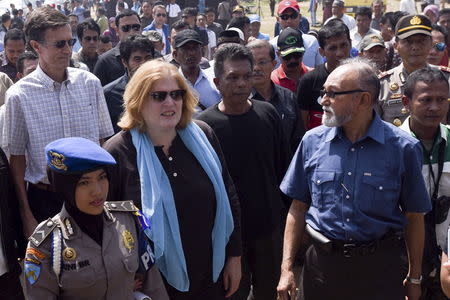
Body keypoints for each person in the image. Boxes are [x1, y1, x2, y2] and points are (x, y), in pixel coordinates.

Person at [277, 57, 431, 300]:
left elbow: (414, 216)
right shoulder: (311, 142)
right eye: (323, 92)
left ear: (364, 100)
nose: (323, 101)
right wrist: (286, 269)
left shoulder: (403, 148)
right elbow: (297, 208)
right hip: (322, 269)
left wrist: (414, 277)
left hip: (380, 270)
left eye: (333, 94)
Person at [103, 60, 242, 299]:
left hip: (210, 271)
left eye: (176, 95)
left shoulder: (204, 135)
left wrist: (234, 257)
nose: (170, 103)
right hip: (152, 281)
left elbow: (228, 197)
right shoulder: (117, 151)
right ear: (139, 100)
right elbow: (107, 222)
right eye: (158, 96)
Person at [2, 7, 113, 238]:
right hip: (46, 201)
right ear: (36, 46)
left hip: (92, 195)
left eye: (70, 42)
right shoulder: (19, 95)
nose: (68, 50)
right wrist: (26, 214)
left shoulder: (90, 83)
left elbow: (103, 142)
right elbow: (18, 160)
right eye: (59, 44)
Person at [197, 44, 291, 300]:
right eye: (233, 77)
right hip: (227, 234)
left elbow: (284, 171)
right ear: (217, 82)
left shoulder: (268, 113)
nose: (241, 83)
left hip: (269, 229)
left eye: (247, 76)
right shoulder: (203, 127)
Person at [25, 137, 168, 300]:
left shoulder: (128, 220)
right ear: (65, 187)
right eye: (84, 183)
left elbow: (153, 286)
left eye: (102, 177)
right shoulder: (47, 243)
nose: (97, 191)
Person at [400, 67, 450, 300]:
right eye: (426, 100)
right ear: (406, 102)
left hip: (446, 261)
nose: (435, 107)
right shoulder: (390, 146)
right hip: (403, 259)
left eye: (441, 100)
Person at [378, 14, 450, 126]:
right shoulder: (383, 85)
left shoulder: (447, 78)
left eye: (421, 41)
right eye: (408, 41)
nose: (415, 47)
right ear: (396, 45)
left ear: (431, 43)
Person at [247, 39, 305, 151]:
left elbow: (298, 139)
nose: (256, 68)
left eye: (262, 62)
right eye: (252, 63)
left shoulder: (289, 98)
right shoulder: (240, 101)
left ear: (273, 64)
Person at [297, 19, 351, 130]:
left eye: (343, 45)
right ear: (322, 51)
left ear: (350, 44)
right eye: (332, 48)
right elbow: (302, 124)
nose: (340, 53)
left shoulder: (363, 78)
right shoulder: (309, 81)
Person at [104, 34, 155, 133]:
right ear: (124, 62)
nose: (144, 64)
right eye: (137, 59)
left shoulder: (164, 89)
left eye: (148, 58)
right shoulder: (109, 95)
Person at [174, 29, 220, 111]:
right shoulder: (171, 83)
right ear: (175, 55)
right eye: (186, 48)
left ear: (202, 51)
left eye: (195, 48)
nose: (191, 53)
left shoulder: (215, 78)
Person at [94, 9, 142, 86]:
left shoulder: (154, 56)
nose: (132, 32)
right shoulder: (105, 62)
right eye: (126, 28)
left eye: (136, 27)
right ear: (117, 30)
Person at [270, 0, 323, 69]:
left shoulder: (312, 41)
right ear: (277, 19)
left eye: (293, 16)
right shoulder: (272, 45)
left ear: (300, 17)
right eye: (284, 17)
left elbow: (320, 69)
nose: (289, 20)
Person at [271, 27, 311, 93]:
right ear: (278, 55)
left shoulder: (313, 76)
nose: (292, 60)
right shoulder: (272, 81)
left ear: (303, 52)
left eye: (296, 54)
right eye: (287, 56)